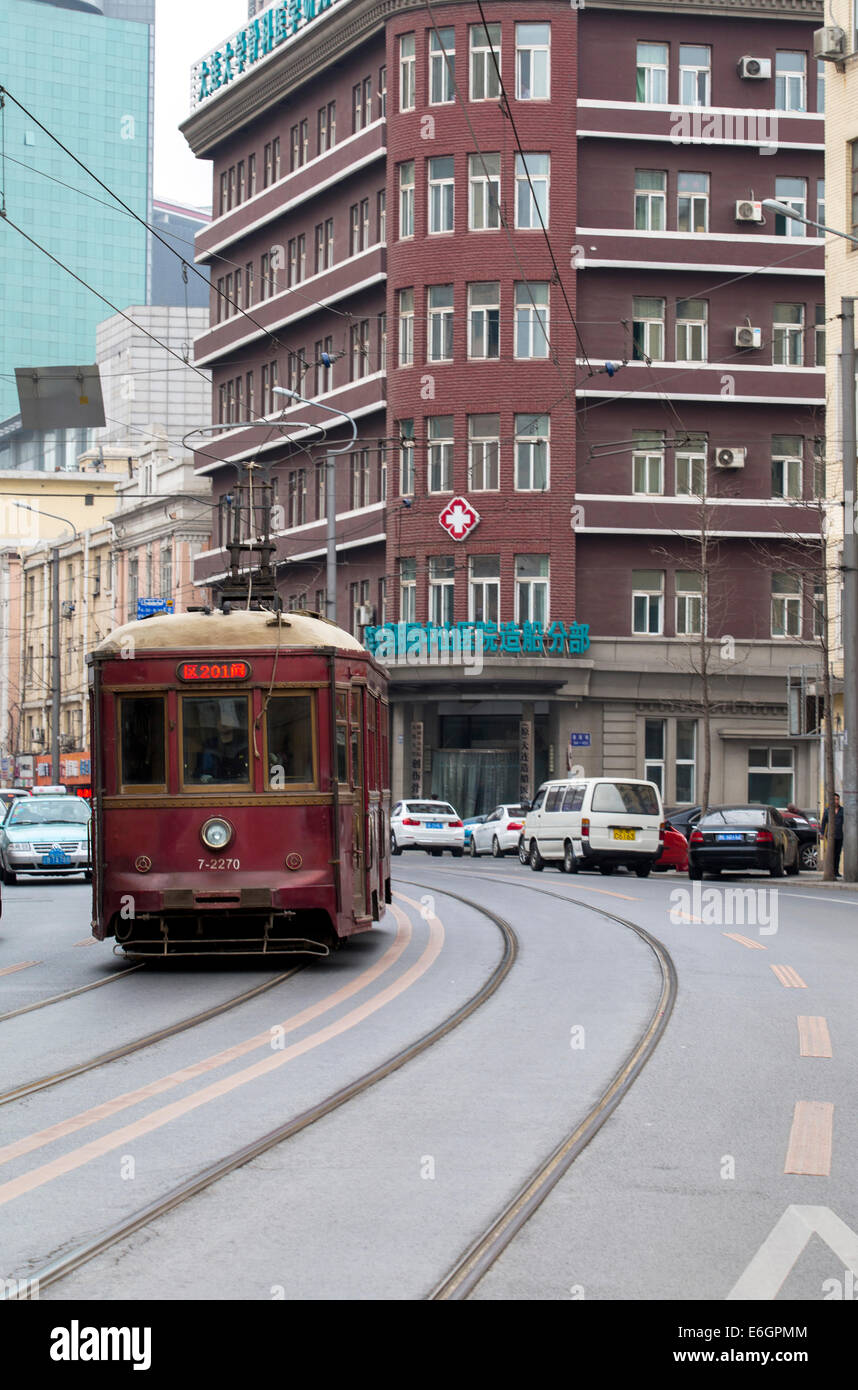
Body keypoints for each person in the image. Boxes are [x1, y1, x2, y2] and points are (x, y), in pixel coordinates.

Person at [820, 794, 844, 877]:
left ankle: (836, 871)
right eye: (834, 799)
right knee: (831, 853)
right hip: (830, 836)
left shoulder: (842, 810)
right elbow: (823, 823)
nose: (836, 801)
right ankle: (830, 871)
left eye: (837, 799)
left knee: (837, 854)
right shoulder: (827, 811)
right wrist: (822, 833)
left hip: (840, 835)